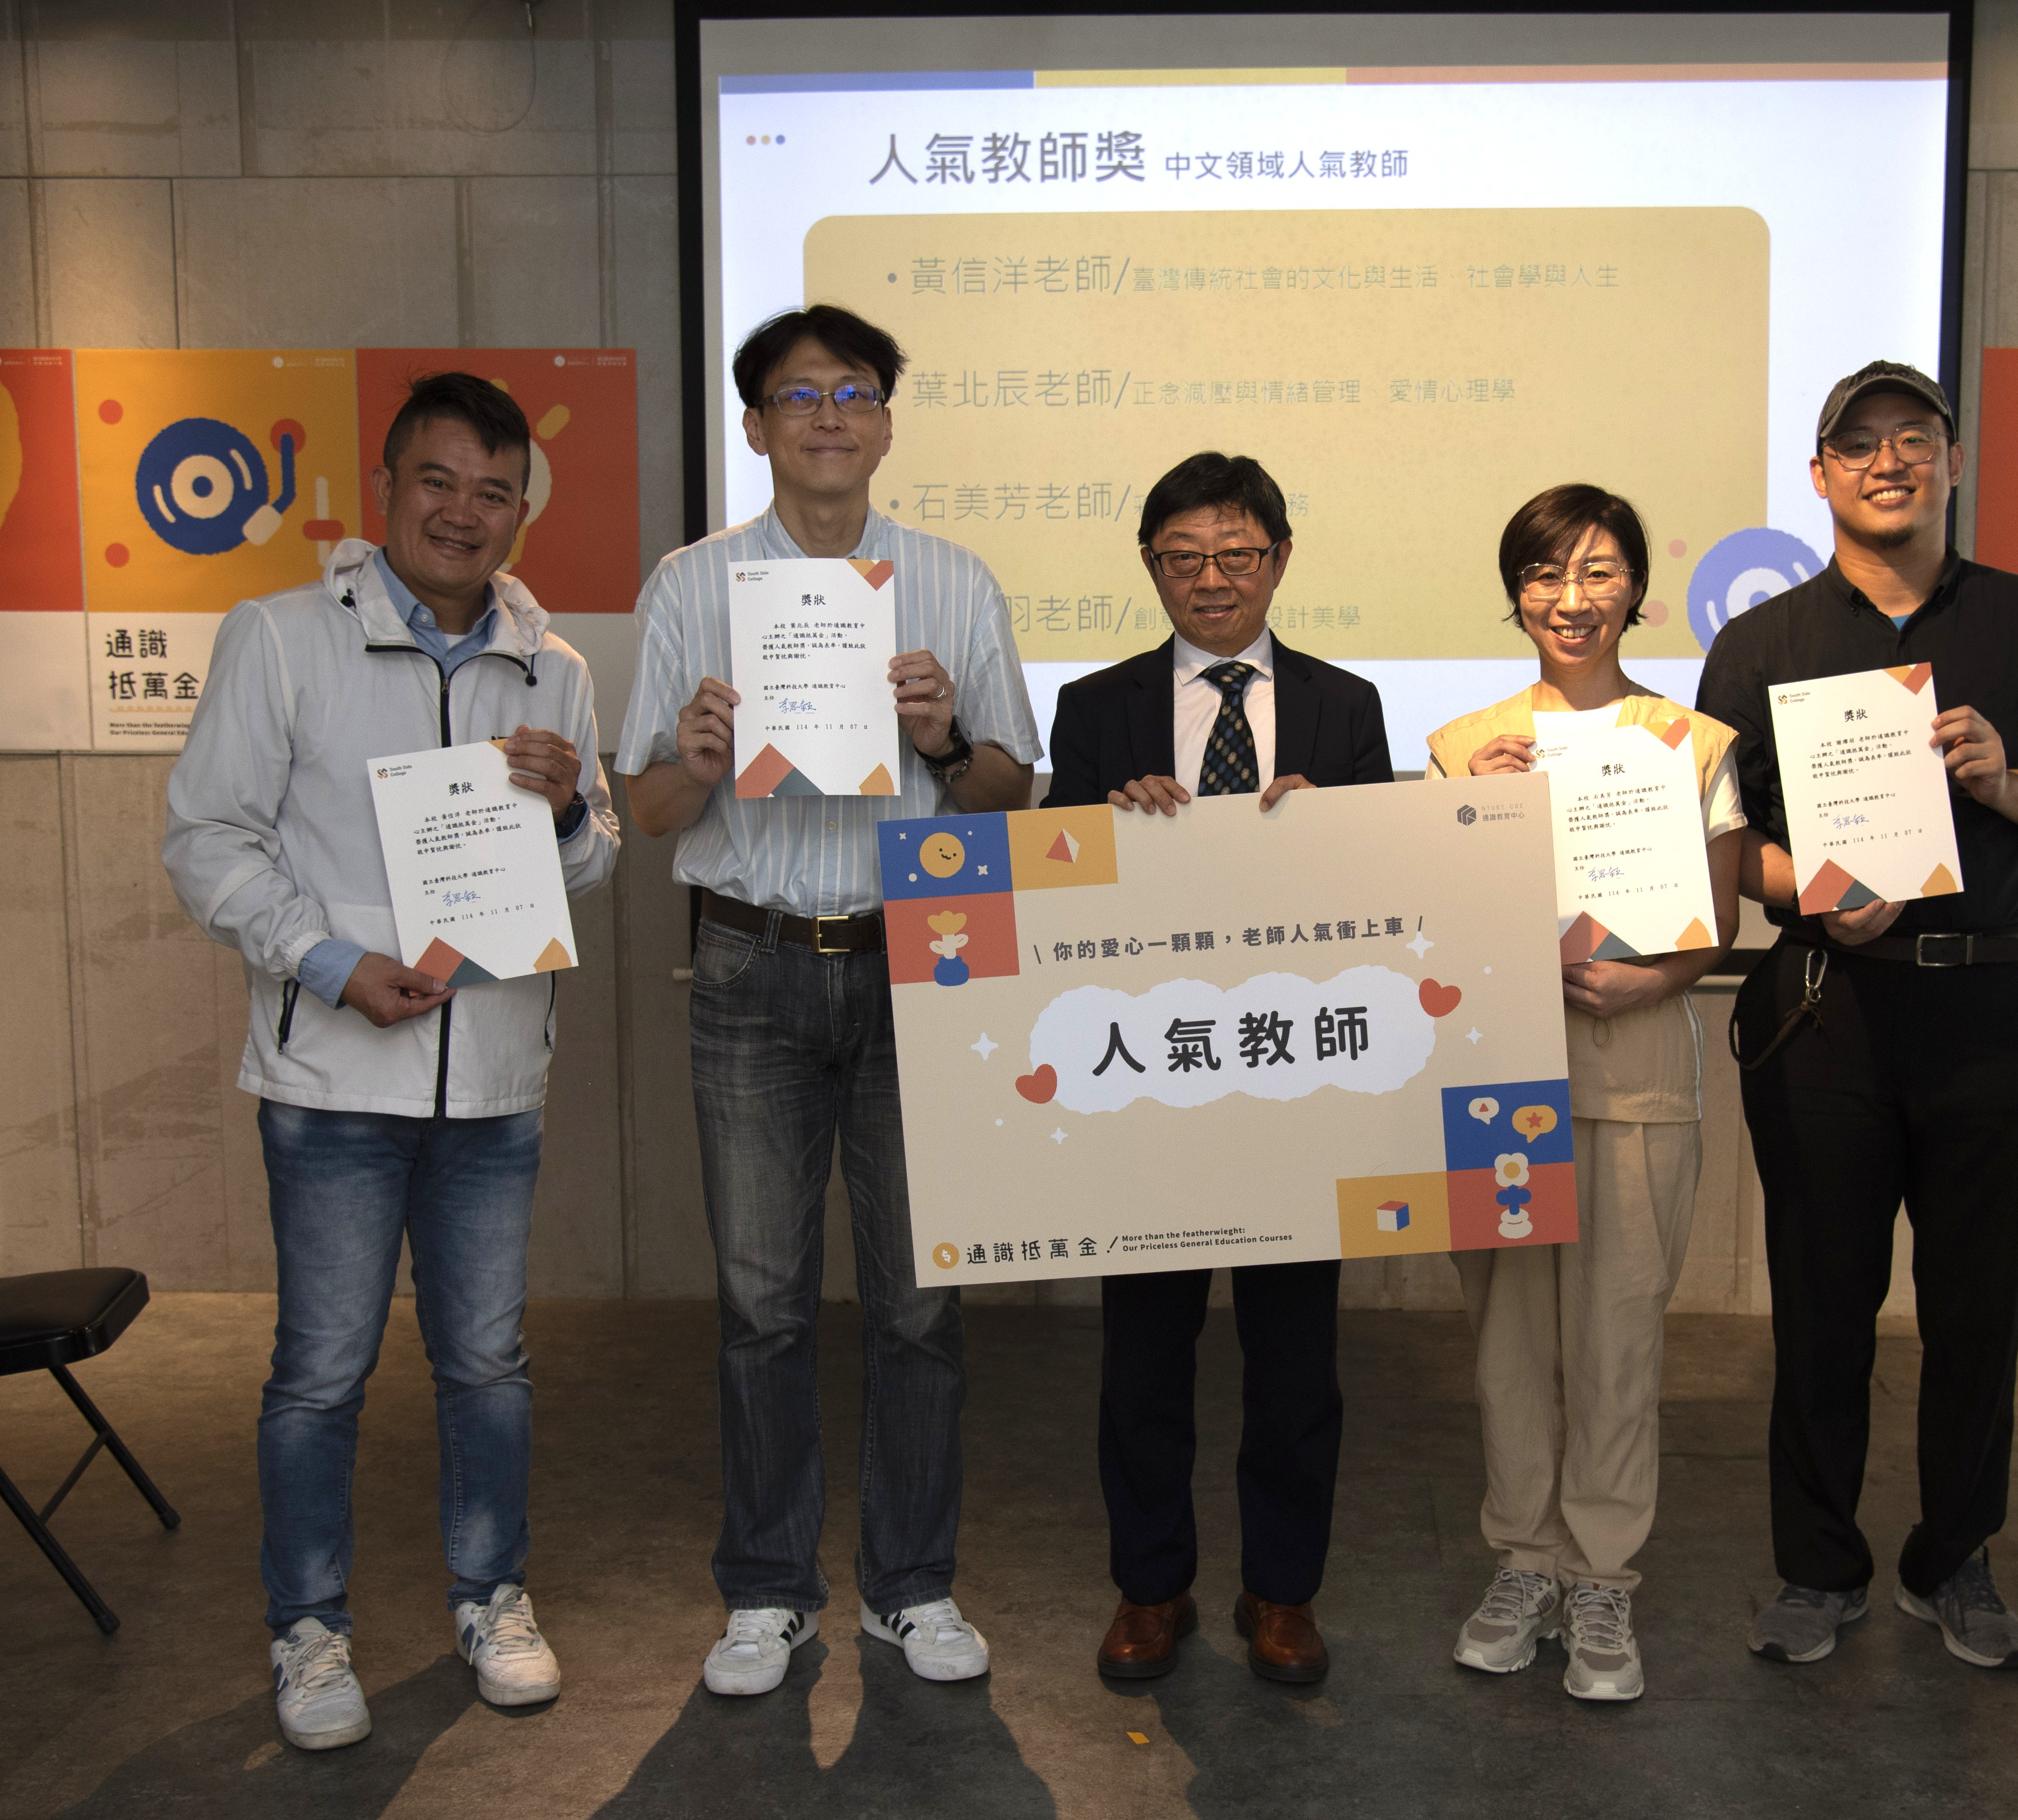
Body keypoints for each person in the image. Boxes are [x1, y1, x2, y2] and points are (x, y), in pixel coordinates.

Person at [163, 372, 621, 1750]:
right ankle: (309, 1626)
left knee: (487, 1361)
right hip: (332, 1085)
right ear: (387, 489)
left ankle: (492, 1595)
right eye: (439, 480)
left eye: (494, 489)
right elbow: (208, 838)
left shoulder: (556, 663)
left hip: (490, 1081)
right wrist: (322, 959)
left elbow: (594, 853)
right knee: (321, 1367)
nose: (464, 511)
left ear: (519, 506)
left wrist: (559, 819)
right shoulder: (283, 637)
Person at [613, 305, 1041, 1698]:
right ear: (755, 427)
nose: (829, 416)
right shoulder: (690, 584)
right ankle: (768, 1589)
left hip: (919, 959)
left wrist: (943, 739)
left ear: (887, 421)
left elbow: (1008, 797)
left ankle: (913, 1585)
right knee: (759, 1302)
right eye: (798, 396)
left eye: (854, 391)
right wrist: (695, 754)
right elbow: (646, 809)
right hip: (746, 962)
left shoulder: (953, 581)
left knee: (921, 1303)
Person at [1696, 360, 2018, 1671]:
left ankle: (1955, 1557)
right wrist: (1812, 888)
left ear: (1951, 460)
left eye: (1914, 437)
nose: (1887, 459)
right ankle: (1815, 1565)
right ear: (1820, 473)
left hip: (1991, 1000)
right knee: (1819, 1302)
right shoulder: (1763, 640)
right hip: (1825, 1007)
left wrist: (2006, 778)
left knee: (1975, 1306)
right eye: (1859, 442)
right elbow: (1718, 837)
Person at [1044, 451, 1393, 1686]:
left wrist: (1331, 830)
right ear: (1149, 567)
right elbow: (1052, 900)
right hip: (1149, 1082)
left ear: (1280, 561)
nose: (1211, 580)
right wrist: (1100, 824)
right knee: (1142, 1358)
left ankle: (1281, 1592)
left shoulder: (1347, 706)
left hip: (1297, 1081)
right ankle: (1150, 1589)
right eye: (1184, 558)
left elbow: (1382, 902)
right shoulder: (1094, 709)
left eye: (1236, 556)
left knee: (1296, 1361)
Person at [1421, 484, 1745, 1702]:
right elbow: (1433, 927)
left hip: (1635, 1074)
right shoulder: (1463, 744)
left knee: (1617, 1341)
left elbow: (1711, 922)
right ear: (1515, 593)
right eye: (1547, 572)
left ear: (1636, 593)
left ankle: (1602, 1578)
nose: (1573, 597)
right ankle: (1522, 1561)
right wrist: (1475, 811)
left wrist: (1653, 975)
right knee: (1506, 1343)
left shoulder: (1693, 742)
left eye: (1599, 571)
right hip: (1499, 1083)